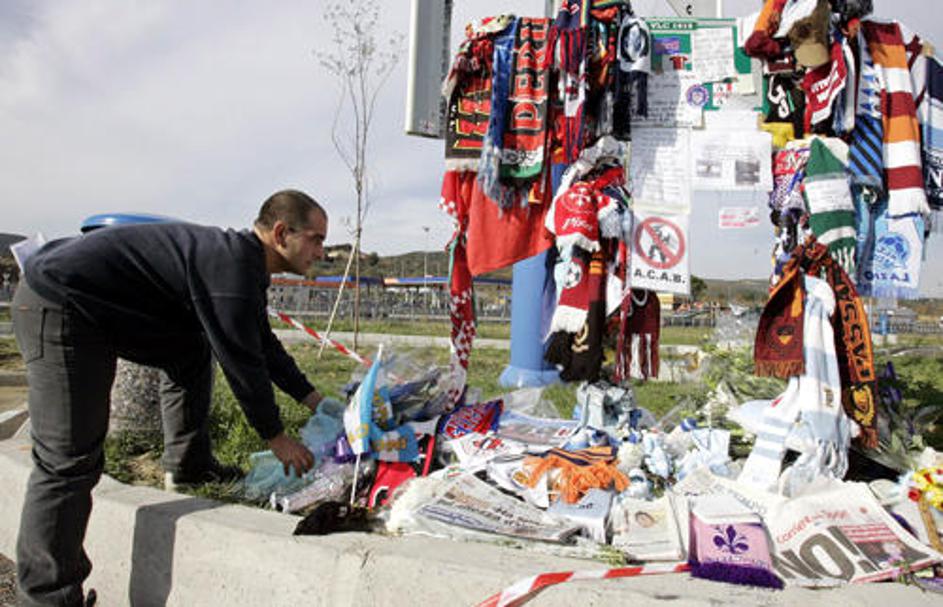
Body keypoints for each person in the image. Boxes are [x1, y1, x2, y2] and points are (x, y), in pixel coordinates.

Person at [12, 189, 327, 606]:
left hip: (98, 308)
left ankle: (189, 465)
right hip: (60, 303)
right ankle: (46, 598)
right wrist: (276, 437)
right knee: (68, 460)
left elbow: (263, 345)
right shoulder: (232, 268)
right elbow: (243, 362)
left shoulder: (241, 265)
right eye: (316, 239)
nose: (322, 252)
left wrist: (314, 400)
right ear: (282, 233)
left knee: (189, 349)